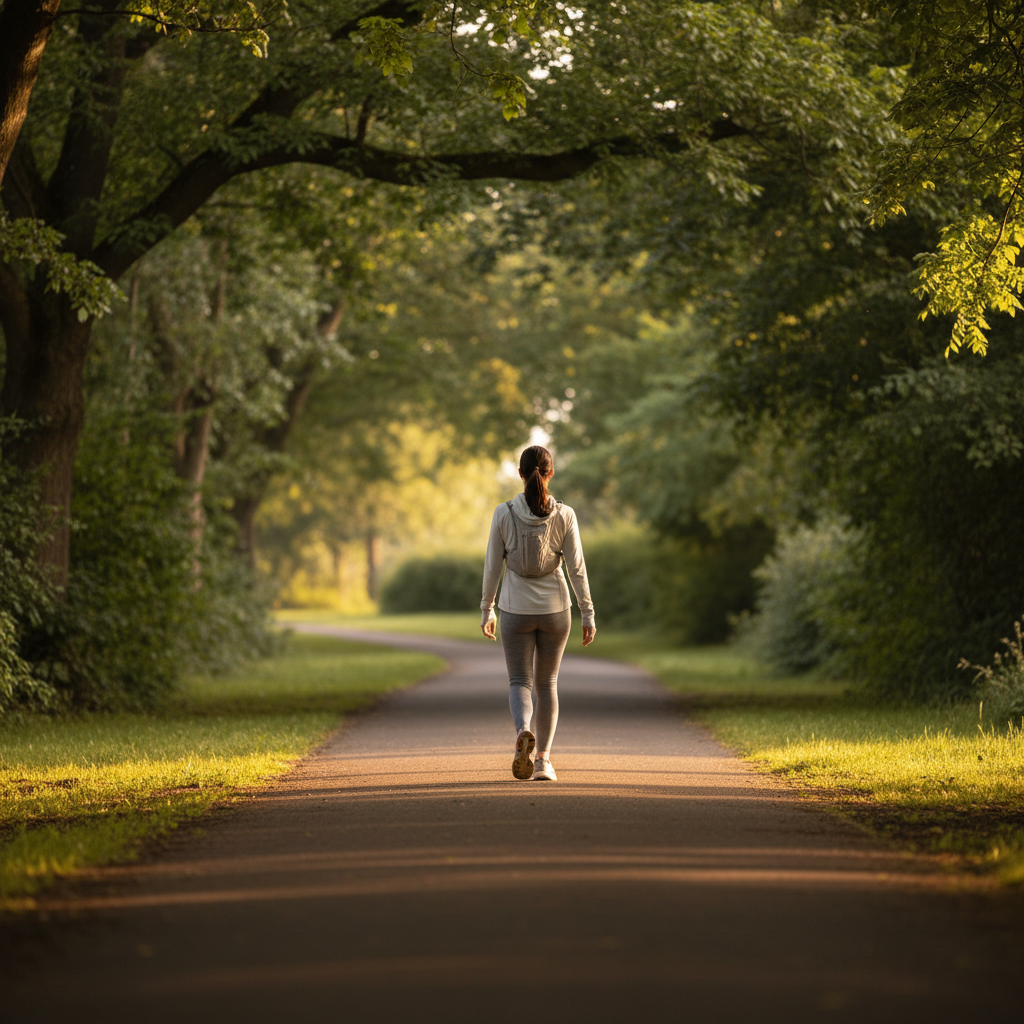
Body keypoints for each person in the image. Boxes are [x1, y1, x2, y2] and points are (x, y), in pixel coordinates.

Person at [480, 445, 596, 782]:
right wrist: (588, 613)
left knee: (520, 681)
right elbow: (577, 569)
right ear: (551, 472)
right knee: (548, 683)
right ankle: (544, 760)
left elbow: (491, 567)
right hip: (556, 610)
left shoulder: (503, 513)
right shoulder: (565, 514)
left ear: (520, 474)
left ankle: (522, 731)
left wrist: (487, 609)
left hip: (515, 610)